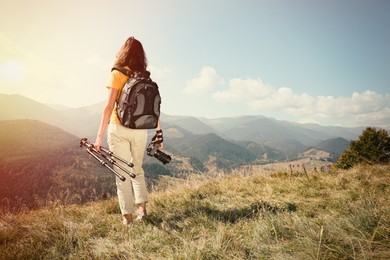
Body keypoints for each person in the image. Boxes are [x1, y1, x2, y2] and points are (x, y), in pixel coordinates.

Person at [94, 36, 164, 225]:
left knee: (122, 173)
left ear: (123, 52)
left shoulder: (117, 73)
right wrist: (159, 134)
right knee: (137, 170)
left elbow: (108, 107)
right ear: (142, 56)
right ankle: (143, 210)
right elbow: (153, 110)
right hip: (141, 130)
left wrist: (99, 138)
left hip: (119, 128)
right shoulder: (145, 77)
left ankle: (128, 218)